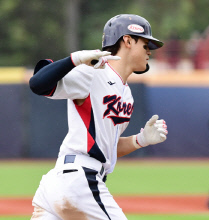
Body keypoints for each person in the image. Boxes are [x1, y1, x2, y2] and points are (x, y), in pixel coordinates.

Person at [29, 14, 168, 220]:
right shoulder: (93, 71)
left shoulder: (127, 94)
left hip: (65, 182)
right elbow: (37, 84)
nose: (149, 51)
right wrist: (75, 60)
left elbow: (107, 147)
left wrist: (140, 140)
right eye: (146, 44)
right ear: (128, 40)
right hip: (79, 179)